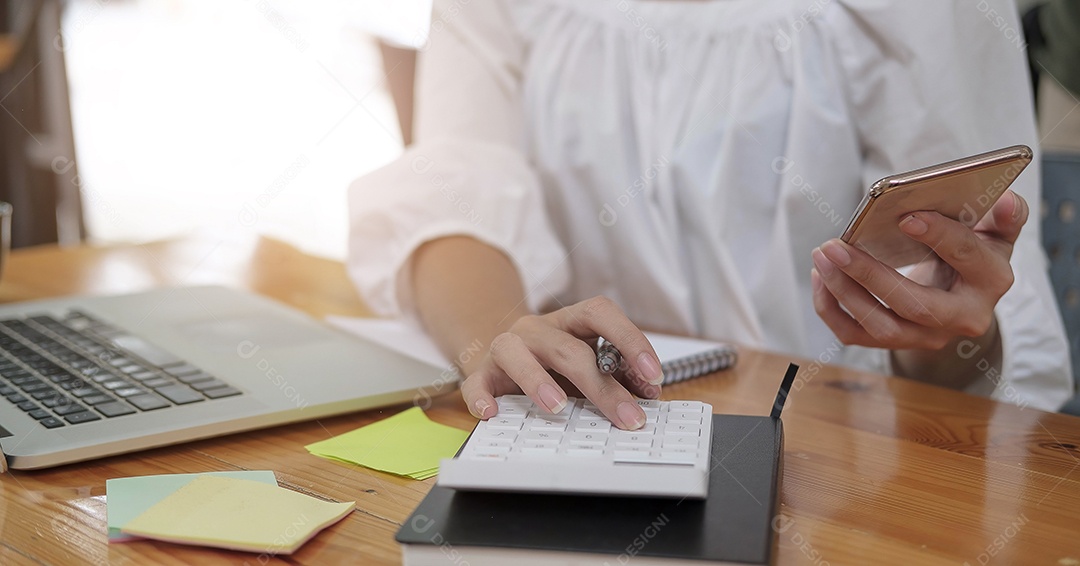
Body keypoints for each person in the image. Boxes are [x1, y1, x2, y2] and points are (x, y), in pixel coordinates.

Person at [347, 0, 1073, 429]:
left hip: (841, 454)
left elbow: (961, 335)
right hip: (582, 425)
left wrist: (936, 332)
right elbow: (455, 179)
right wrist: (496, 338)